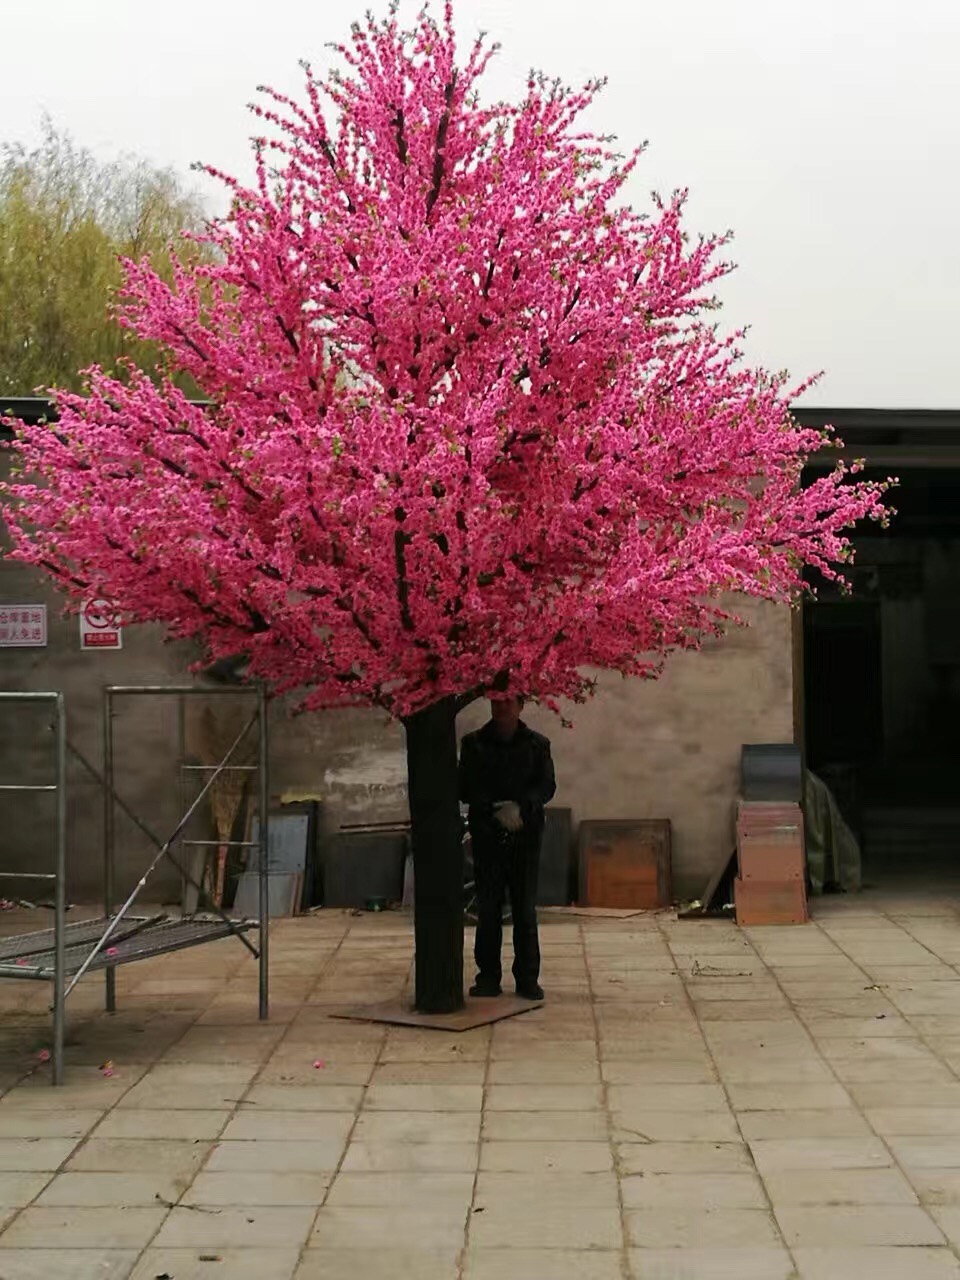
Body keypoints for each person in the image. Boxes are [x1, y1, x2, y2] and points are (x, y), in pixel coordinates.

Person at [458, 696, 556, 1001]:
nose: (502, 708)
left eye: (509, 703)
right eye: (497, 702)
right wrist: (494, 809)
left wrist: (520, 807)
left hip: (525, 835)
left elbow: (546, 786)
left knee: (525, 909)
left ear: (521, 706)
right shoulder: (474, 743)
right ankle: (488, 977)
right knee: (489, 908)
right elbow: (465, 786)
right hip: (488, 833)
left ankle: (528, 979)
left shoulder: (537, 744)